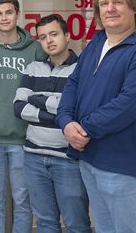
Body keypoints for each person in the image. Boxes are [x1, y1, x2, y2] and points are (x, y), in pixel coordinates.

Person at [57, 0, 136, 233]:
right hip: (90, 158)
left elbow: (128, 105)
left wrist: (82, 129)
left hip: (124, 165)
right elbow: (73, 83)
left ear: (133, 8)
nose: (110, 8)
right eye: (104, 3)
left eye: (118, 2)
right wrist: (65, 121)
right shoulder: (96, 43)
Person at [13, 14, 90, 233]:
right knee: (45, 223)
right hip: (34, 157)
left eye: (54, 34)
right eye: (43, 37)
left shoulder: (82, 70)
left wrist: (38, 100)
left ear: (67, 35)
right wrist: (60, 114)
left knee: (77, 224)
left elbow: (78, 110)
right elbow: (18, 108)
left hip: (69, 159)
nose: (49, 41)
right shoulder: (33, 68)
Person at [0, 0, 45, 233]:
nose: (4, 18)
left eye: (8, 12)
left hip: (23, 138)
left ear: (17, 14)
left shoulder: (36, 49)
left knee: (22, 200)